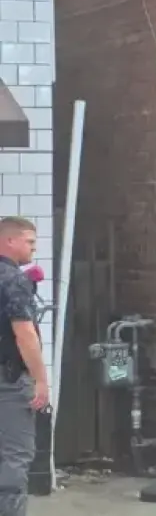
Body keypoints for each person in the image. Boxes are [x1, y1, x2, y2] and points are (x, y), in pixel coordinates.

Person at [0, 217, 47, 516]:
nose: (33, 248)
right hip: (9, 381)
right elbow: (25, 334)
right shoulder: (13, 280)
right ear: (9, 241)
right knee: (15, 459)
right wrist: (41, 380)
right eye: (29, 241)